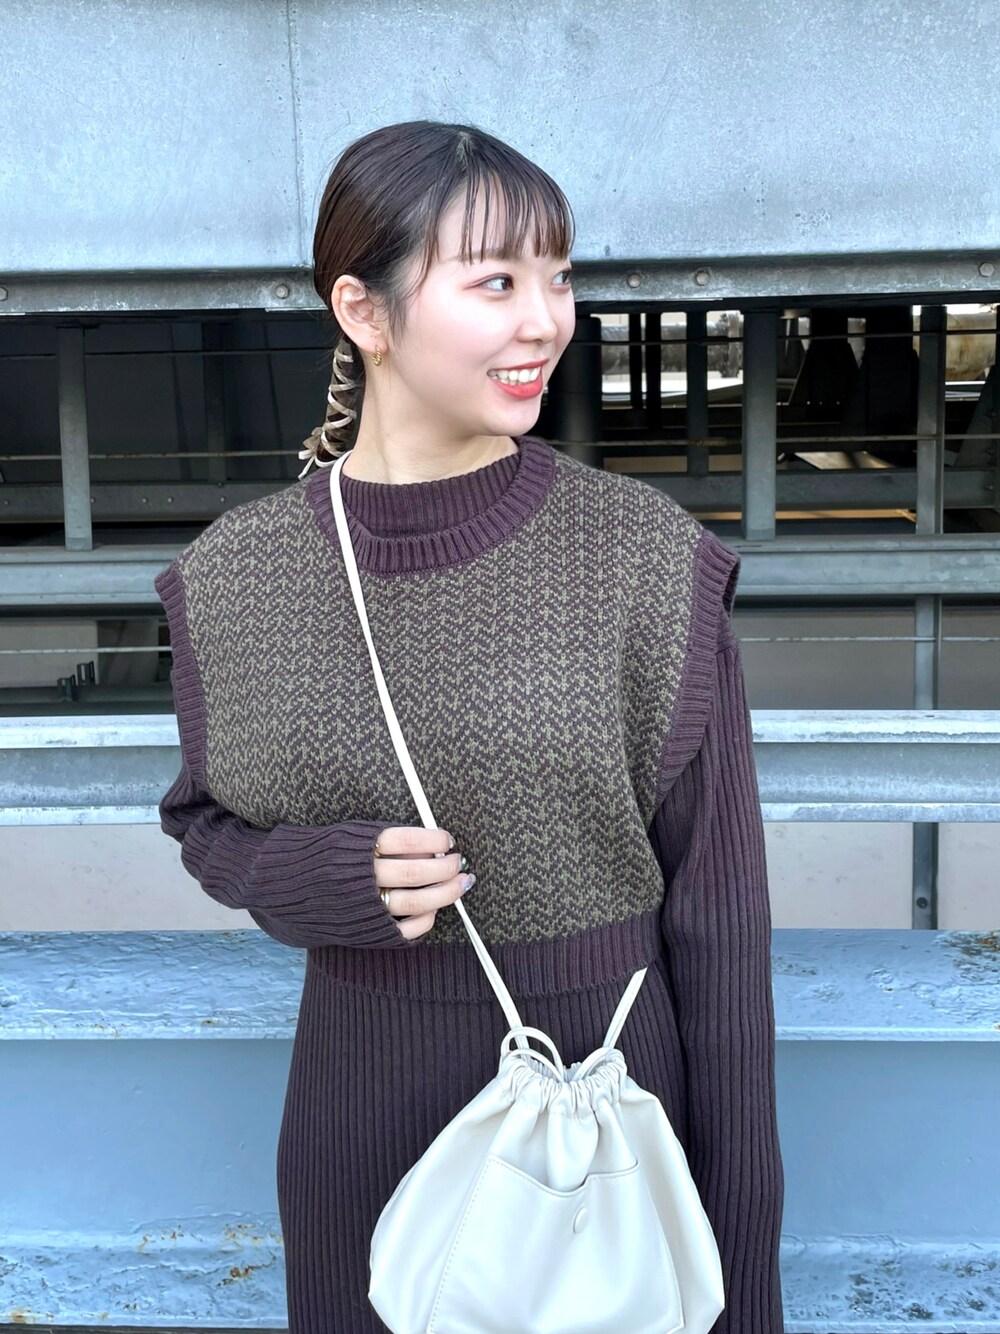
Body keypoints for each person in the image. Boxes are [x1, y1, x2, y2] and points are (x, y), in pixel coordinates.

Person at [155, 119, 784, 1333]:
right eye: (495, 281)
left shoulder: (643, 561)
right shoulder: (234, 577)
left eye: (558, 278)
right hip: (359, 1121)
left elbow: (721, 931)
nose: (545, 320)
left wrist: (743, 1289)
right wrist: (314, 877)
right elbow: (205, 822)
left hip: (607, 1124)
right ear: (364, 311)